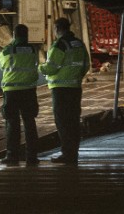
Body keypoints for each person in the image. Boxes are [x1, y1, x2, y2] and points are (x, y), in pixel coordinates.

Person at [38, 18, 90, 166]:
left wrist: (40, 67)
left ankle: (67, 154)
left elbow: (51, 67)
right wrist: (77, 76)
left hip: (60, 89)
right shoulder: (79, 43)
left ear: (57, 29)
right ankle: (73, 153)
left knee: (63, 122)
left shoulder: (60, 45)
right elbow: (86, 64)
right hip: (75, 88)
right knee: (74, 121)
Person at [0, 24, 40, 166]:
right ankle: (32, 157)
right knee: (30, 123)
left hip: (12, 91)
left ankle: (12, 156)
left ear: (14, 35)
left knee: (12, 123)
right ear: (27, 35)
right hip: (29, 91)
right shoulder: (33, 50)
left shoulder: (7, 50)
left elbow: (2, 64)